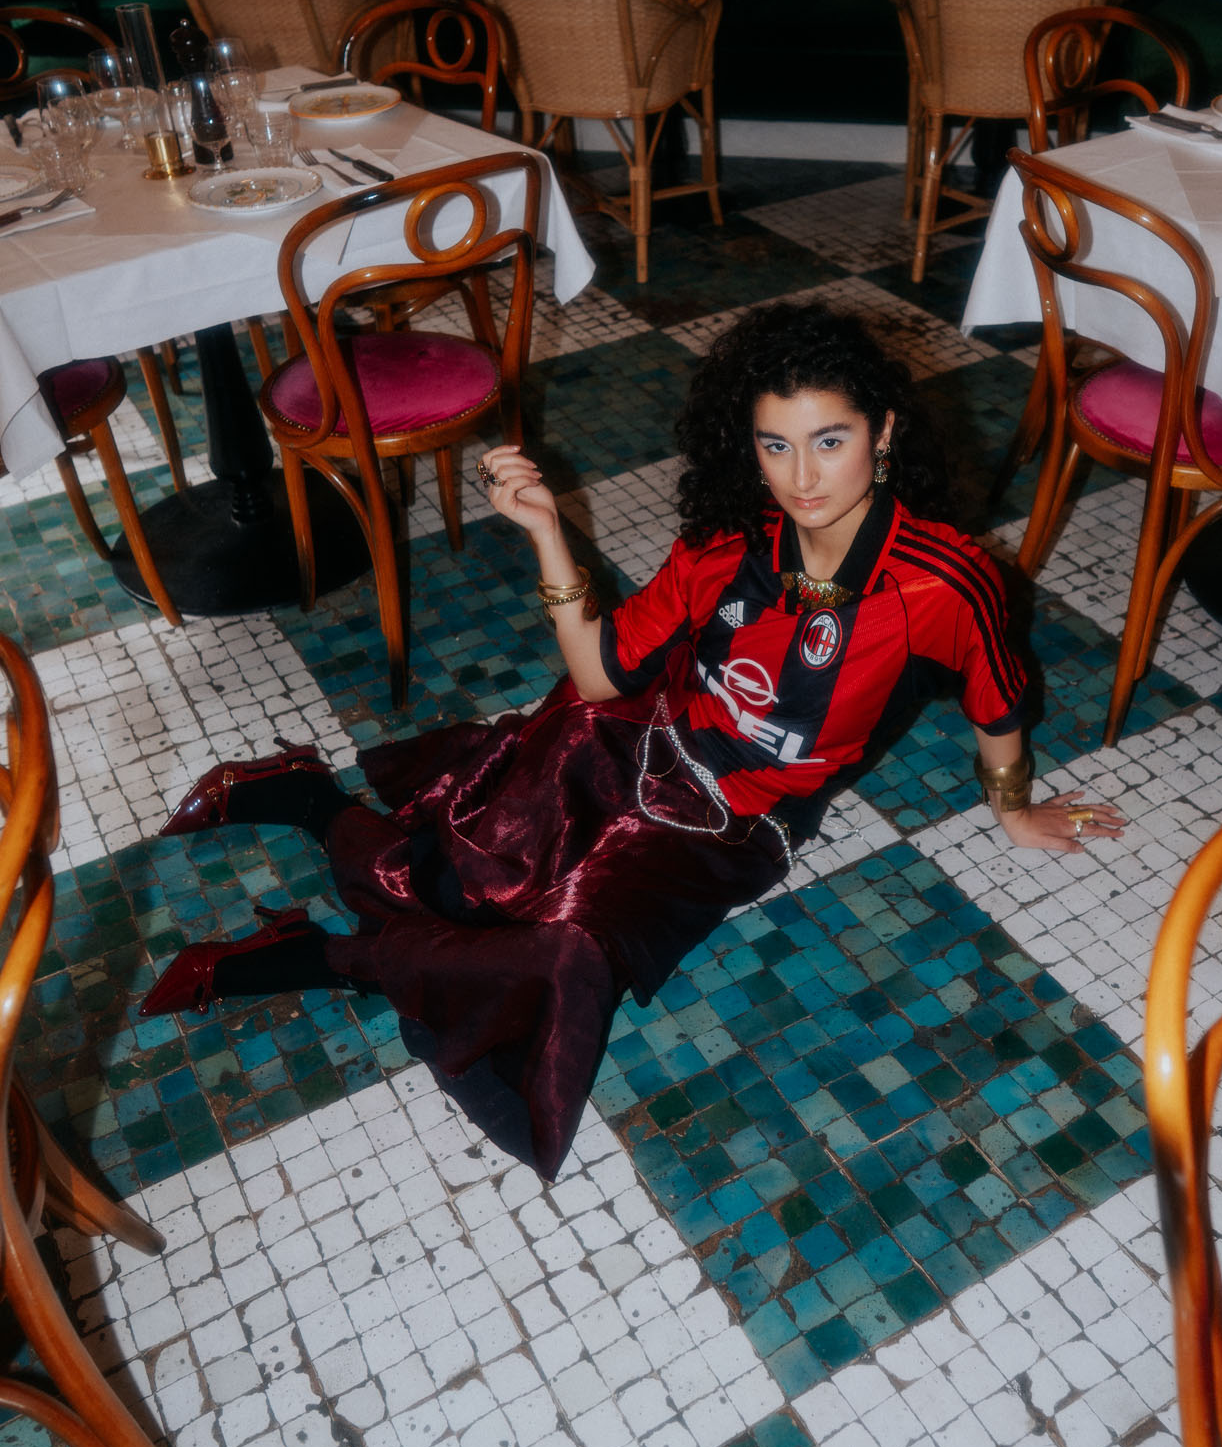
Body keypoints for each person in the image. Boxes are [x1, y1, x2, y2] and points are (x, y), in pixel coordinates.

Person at [143, 302, 1123, 1178]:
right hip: (636, 732)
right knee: (460, 875)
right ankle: (308, 797)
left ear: (885, 431)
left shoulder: (942, 583)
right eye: (775, 445)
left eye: (830, 440)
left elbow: (997, 703)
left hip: (736, 824)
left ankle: (322, 954)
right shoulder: (728, 543)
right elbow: (602, 673)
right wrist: (547, 532)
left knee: (562, 950)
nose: (802, 476)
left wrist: (1012, 807)